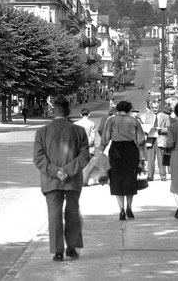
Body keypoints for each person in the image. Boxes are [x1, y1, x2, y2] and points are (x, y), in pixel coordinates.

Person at [33, 96, 90, 262]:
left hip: (50, 180)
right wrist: (67, 171)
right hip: (72, 180)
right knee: (72, 213)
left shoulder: (41, 132)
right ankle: (71, 248)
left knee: (54, 215)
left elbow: (38, 158)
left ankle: (57, 251)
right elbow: (84, 156)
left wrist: (55, 172)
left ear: (53, 111)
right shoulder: (78, 131)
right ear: (68, 111)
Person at [100, 100, 145, 221]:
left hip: (116, 150)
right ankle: (129, 207)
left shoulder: (112, 120)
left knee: (117, 179)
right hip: (131, 150)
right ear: (129, 109)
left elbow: (105, 138)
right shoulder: (134, 121)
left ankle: (121, 210)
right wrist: (141, 157)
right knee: (130, 179)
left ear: (118, 109)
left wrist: (100, 150)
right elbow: (140, 140)